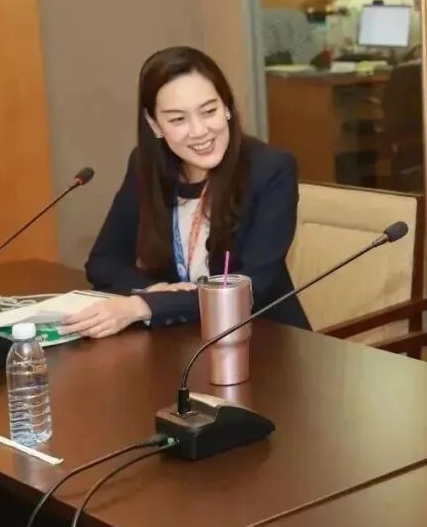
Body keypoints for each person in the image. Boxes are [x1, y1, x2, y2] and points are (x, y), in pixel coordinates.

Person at [62, 46, 310, 338]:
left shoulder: (271, 169)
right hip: (181, 338)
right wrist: (155, 292)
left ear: (227, 107)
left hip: (264, 338)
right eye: (178, 119)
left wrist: (146, 305)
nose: (199, 131)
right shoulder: (145, 165)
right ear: (154, 124)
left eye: (209, 111)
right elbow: (103, 263)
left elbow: (253, 286)